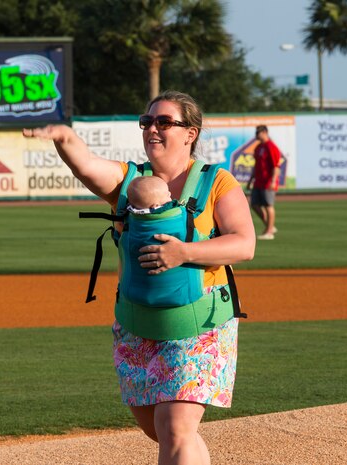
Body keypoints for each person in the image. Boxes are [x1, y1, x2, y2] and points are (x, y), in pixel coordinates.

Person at [23, 90, 255, 465]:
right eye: (147, 122)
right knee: (162, 430)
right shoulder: (128, 180)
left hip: (200, 323)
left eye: (165, 122)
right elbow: (87, 166)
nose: (153, 129)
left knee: (175, 426)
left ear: (190, 133)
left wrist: (184, 252)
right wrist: (64, 139)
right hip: (138, 323)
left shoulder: (217, 181)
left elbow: (244, 244)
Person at [246, 125, 282, 240]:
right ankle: (269, 225)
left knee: (268, 205)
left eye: (258, 132)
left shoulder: (271, 147)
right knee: (254, 205)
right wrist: (251, 180)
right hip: (258, 181)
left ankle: (269, 232)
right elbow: (256, 166)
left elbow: (276, 166)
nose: (256, 135)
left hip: (267, 182)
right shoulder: (258, 148)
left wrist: (272, 181)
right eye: (256, 132)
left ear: (265, 132)